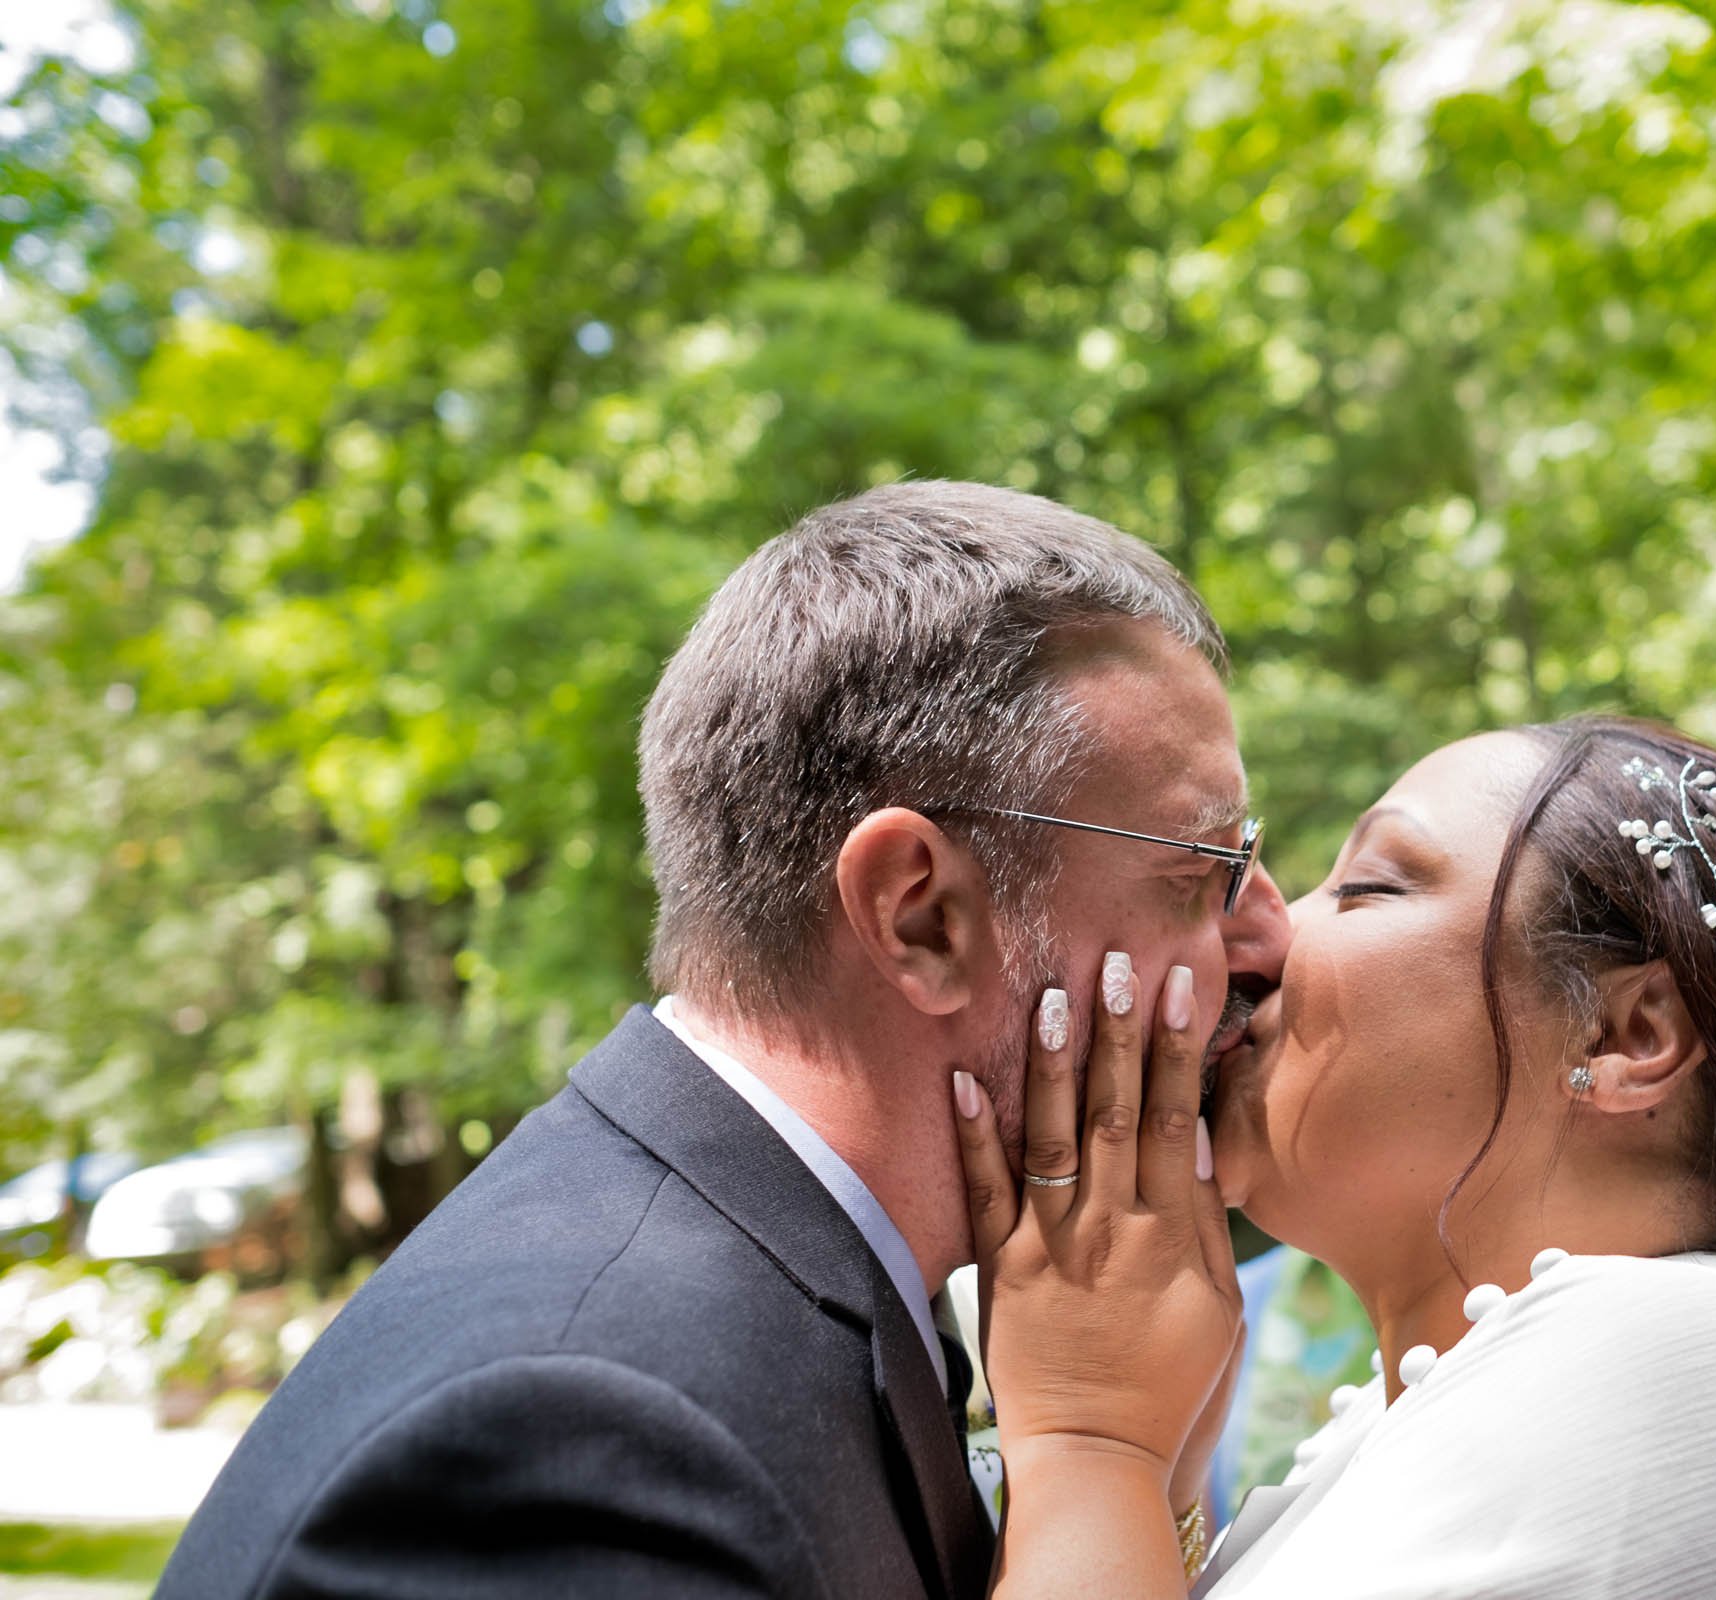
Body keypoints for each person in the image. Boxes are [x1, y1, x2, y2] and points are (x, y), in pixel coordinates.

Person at [157, 481, 1292, 1599]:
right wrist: (1099, 1454)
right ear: (922, 916)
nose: (1269, 934)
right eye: (1200, 873)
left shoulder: (787, 1278)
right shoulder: (582, 1444)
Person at [955, 715, 1716, 1598]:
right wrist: (1158, 1479)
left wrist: (1095, 1447)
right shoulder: (1452, 1393)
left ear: (1624, 1036)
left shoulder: (1670, 1352)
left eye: (1366, 886)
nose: (1256, 934)